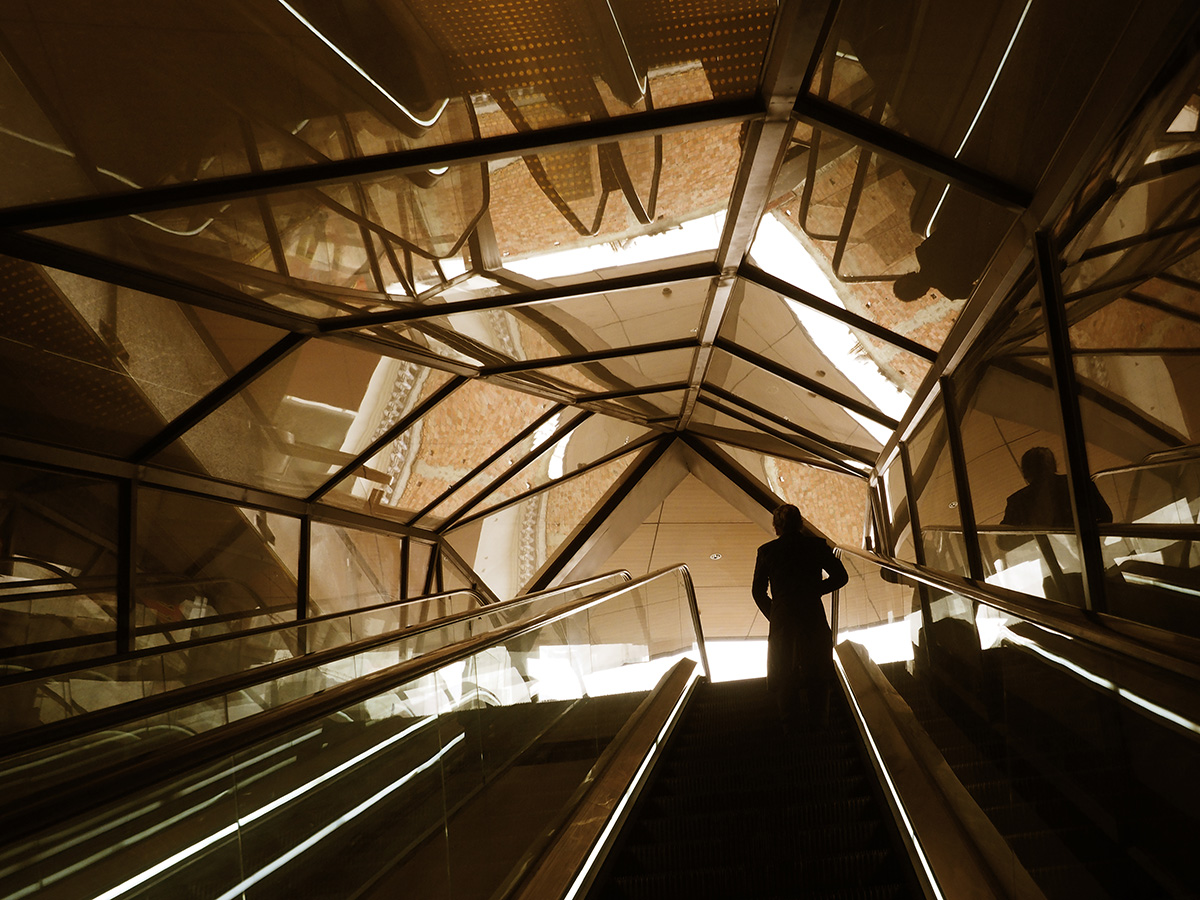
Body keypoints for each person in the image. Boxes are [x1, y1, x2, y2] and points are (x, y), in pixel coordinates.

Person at [752, 503, 848, 726]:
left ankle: (790, 723)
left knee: (784, 667)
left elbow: (757, 591)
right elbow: (841, 577)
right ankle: (819, 721)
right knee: (817, 665)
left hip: (783, 617)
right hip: (811, 612)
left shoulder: (767, 551)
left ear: (777, 528)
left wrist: (775, 612)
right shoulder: (816, 546)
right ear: (800, 524)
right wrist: (815, 590)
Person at [1002, 446, 1113, 528]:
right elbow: (1106, 517)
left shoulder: (1017, 502)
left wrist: (1031, 537)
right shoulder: (1080, 484)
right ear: (1053, 466)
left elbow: (1004, 541)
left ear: (1026, 473)